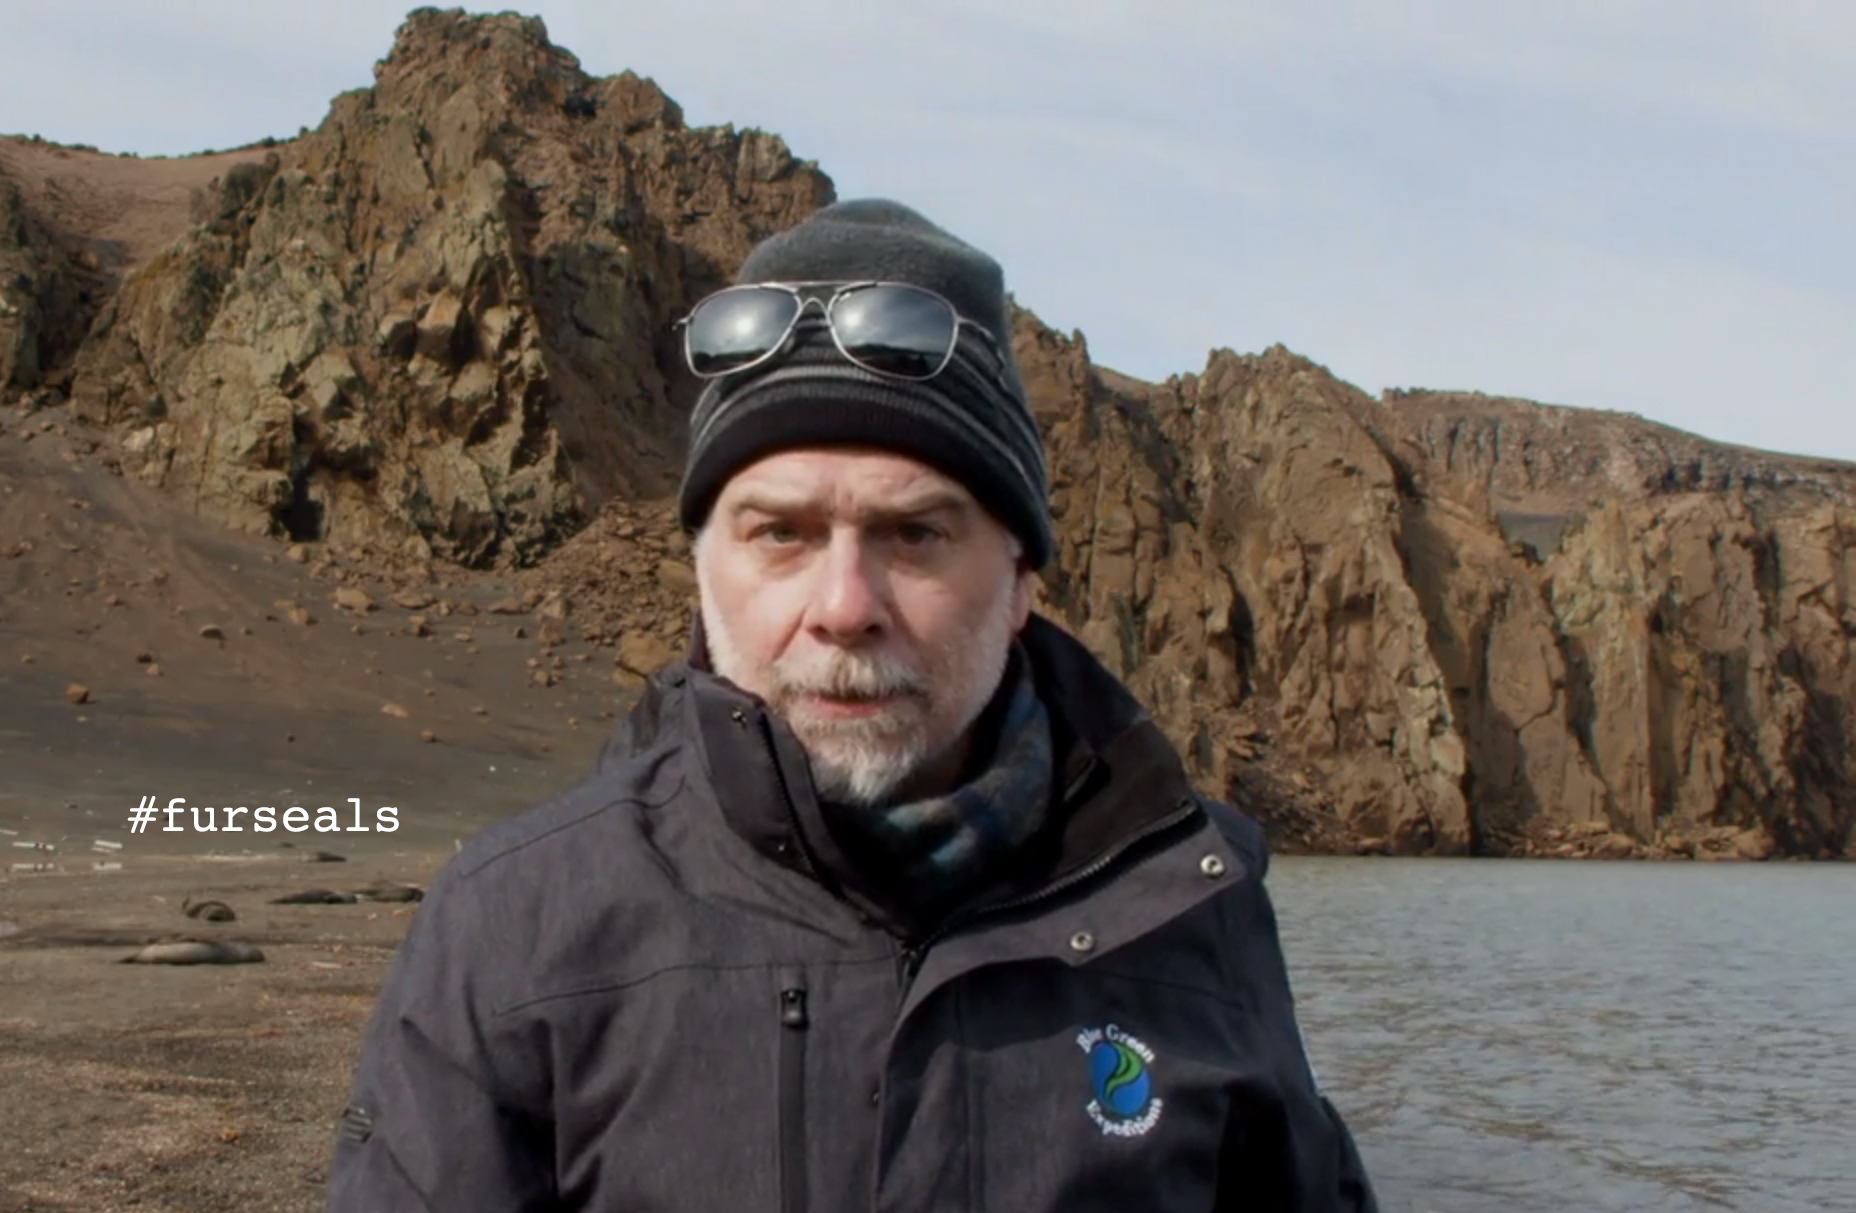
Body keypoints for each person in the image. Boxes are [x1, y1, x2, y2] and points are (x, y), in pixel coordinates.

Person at [325, 198, 1379, 1212]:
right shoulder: (512, 925)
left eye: (915, 534)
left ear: (1018, 584)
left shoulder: (1196, 904)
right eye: (778, 532)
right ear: (702, 571)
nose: (842, 608)